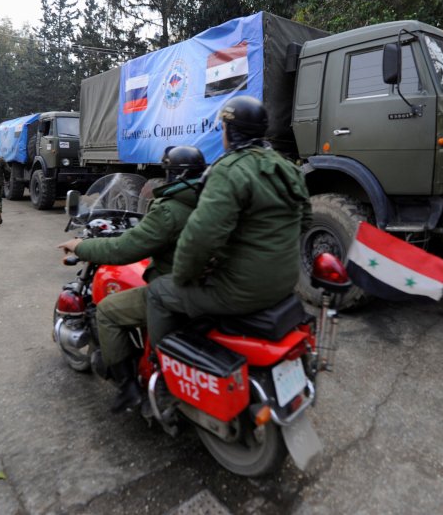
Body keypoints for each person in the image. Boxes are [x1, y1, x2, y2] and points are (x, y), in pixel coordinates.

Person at [146, 95, 312, 348]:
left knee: (159, 291)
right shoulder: (288, 167)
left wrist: (183, 277)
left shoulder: (228, 170)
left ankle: (162, 367)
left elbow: (200, 237)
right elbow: (305, 219)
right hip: (286, 282)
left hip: (241, 291)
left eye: (223, 129)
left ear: (229, 131)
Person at [57, 146, 206, 412]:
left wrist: (80, 246)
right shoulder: (211, 202)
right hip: (206, 283)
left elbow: (122, 250)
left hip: (175, 288)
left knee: (107, 312)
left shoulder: (170, 209)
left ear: (172, 174)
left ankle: (128, 389)